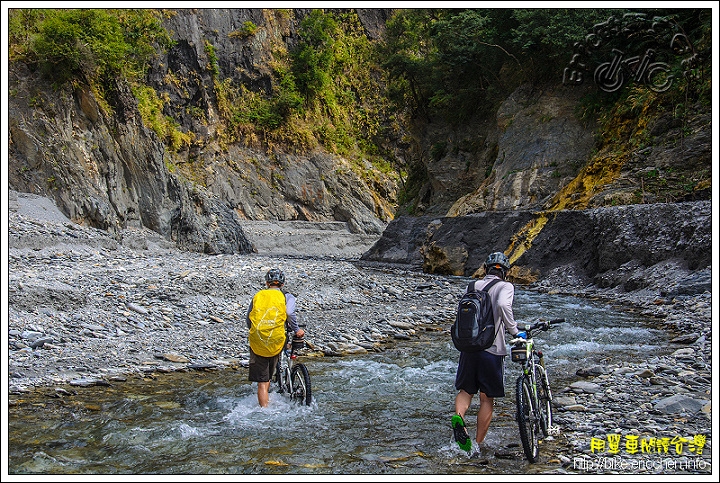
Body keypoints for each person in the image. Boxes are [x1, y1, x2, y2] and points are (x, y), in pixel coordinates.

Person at [451, 251, 524, 453]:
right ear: (506, 272)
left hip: (469, 346)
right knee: (486, 398)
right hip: (492, 349)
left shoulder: (473, 285)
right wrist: (515, 331)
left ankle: (460, 417)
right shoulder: (505, 286)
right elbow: (502, 304)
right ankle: (477, 444)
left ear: (485, 269)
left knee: (465, 391)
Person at [246, 268, 305, 407]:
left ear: (267, 283)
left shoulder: (258, 296)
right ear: (282, 284)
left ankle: (264, 410)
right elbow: (289, 313)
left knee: (263, 380)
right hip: (277, 338)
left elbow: (249, 318)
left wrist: (255, 331)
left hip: (258, 339)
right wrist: (296, 329)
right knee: (278, 353)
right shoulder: (287, 296)